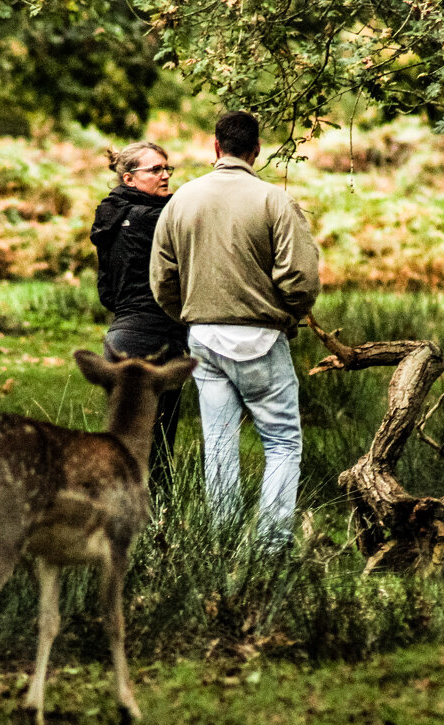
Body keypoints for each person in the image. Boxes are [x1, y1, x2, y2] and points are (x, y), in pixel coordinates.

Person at [150, 111, 320, 554]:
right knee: (282, 441)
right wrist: (290, 314)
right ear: (257, 149)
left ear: (215, 147)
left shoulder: (181, 200)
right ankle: (270, 544)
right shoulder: (274, 200)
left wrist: (190, 315)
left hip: (203, 338)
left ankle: (222, 540)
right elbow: (299, 278)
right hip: (261, 336)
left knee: (219, 442)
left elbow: (162, 279)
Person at [90, 141, 187, 489]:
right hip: (155, 339)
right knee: (157, 452)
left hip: (120, 337)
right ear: (129, 178)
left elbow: (107, 292)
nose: (165, 175)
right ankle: (158, 528)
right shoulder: (156, 217)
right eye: (155, 170)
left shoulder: (110, 216)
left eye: (166, 168)